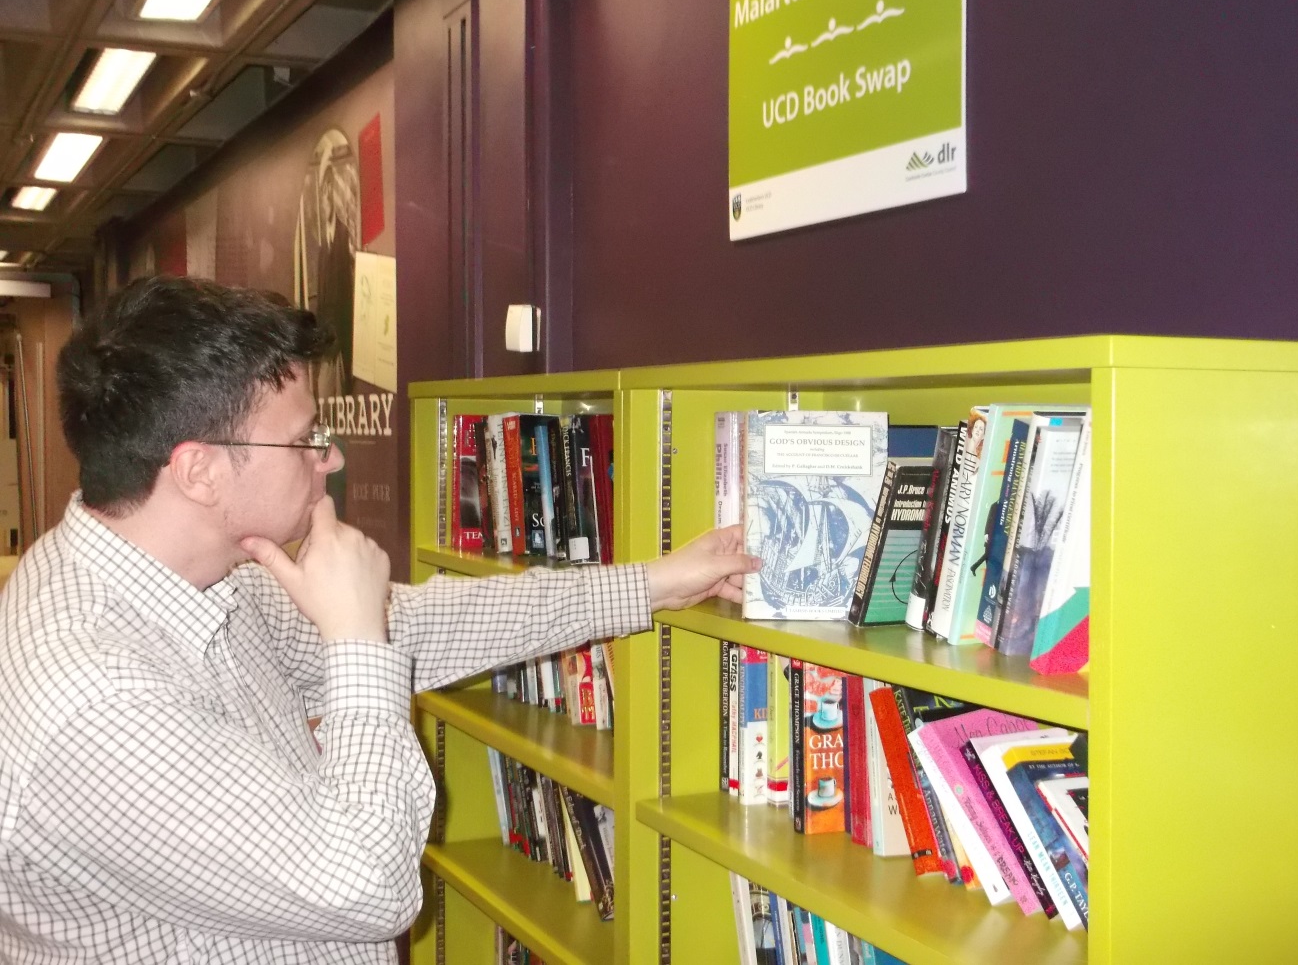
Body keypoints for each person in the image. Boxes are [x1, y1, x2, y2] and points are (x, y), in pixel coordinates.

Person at [0, 276, 757, 964]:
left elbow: (422, 626)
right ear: (199, 470)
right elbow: (367, 886)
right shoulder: (93, 700)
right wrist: (356, 642)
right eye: (303, 440)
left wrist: (653, 585)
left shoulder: (203, 577)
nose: (328, 460)